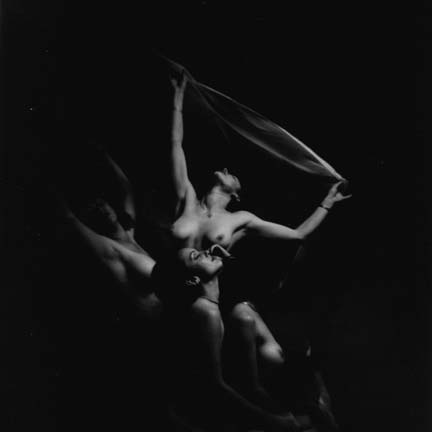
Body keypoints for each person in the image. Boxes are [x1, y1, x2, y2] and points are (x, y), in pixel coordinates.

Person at [58, 151, 302, 431]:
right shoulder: (110, 251)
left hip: (180, 318)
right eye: (91, 207)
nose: (100, 207)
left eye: (102, 201)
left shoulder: (131, 233)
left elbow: (124, 187)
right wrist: (274, 423)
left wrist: (96, 151)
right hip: (154, 334)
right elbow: (66, 217)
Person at [168, 71, 351, 423]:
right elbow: (175, 146)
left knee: (242, 377)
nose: (227, 169)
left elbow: (296, 236)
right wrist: (177, 97)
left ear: (237, 194)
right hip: (173, 296)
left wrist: (326, 204)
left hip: (208, 301)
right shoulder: (187, 198)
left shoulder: (241, 219)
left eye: (235, 175)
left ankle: (294, 418)